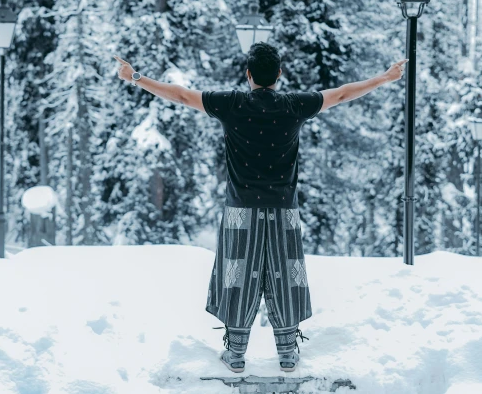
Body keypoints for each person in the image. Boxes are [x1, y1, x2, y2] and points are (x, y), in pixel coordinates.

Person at [114, 43, 408, 373]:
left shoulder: (231, 104)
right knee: (285, 276)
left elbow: (182, 96)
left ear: (248, 74)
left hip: (241, 209)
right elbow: (340, 94)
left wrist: (136, 76)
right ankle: (286, 354)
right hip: (284, 210)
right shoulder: (295, 105)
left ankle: (236, 354)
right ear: (279, 75)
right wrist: (383, 78)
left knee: (237, 275)